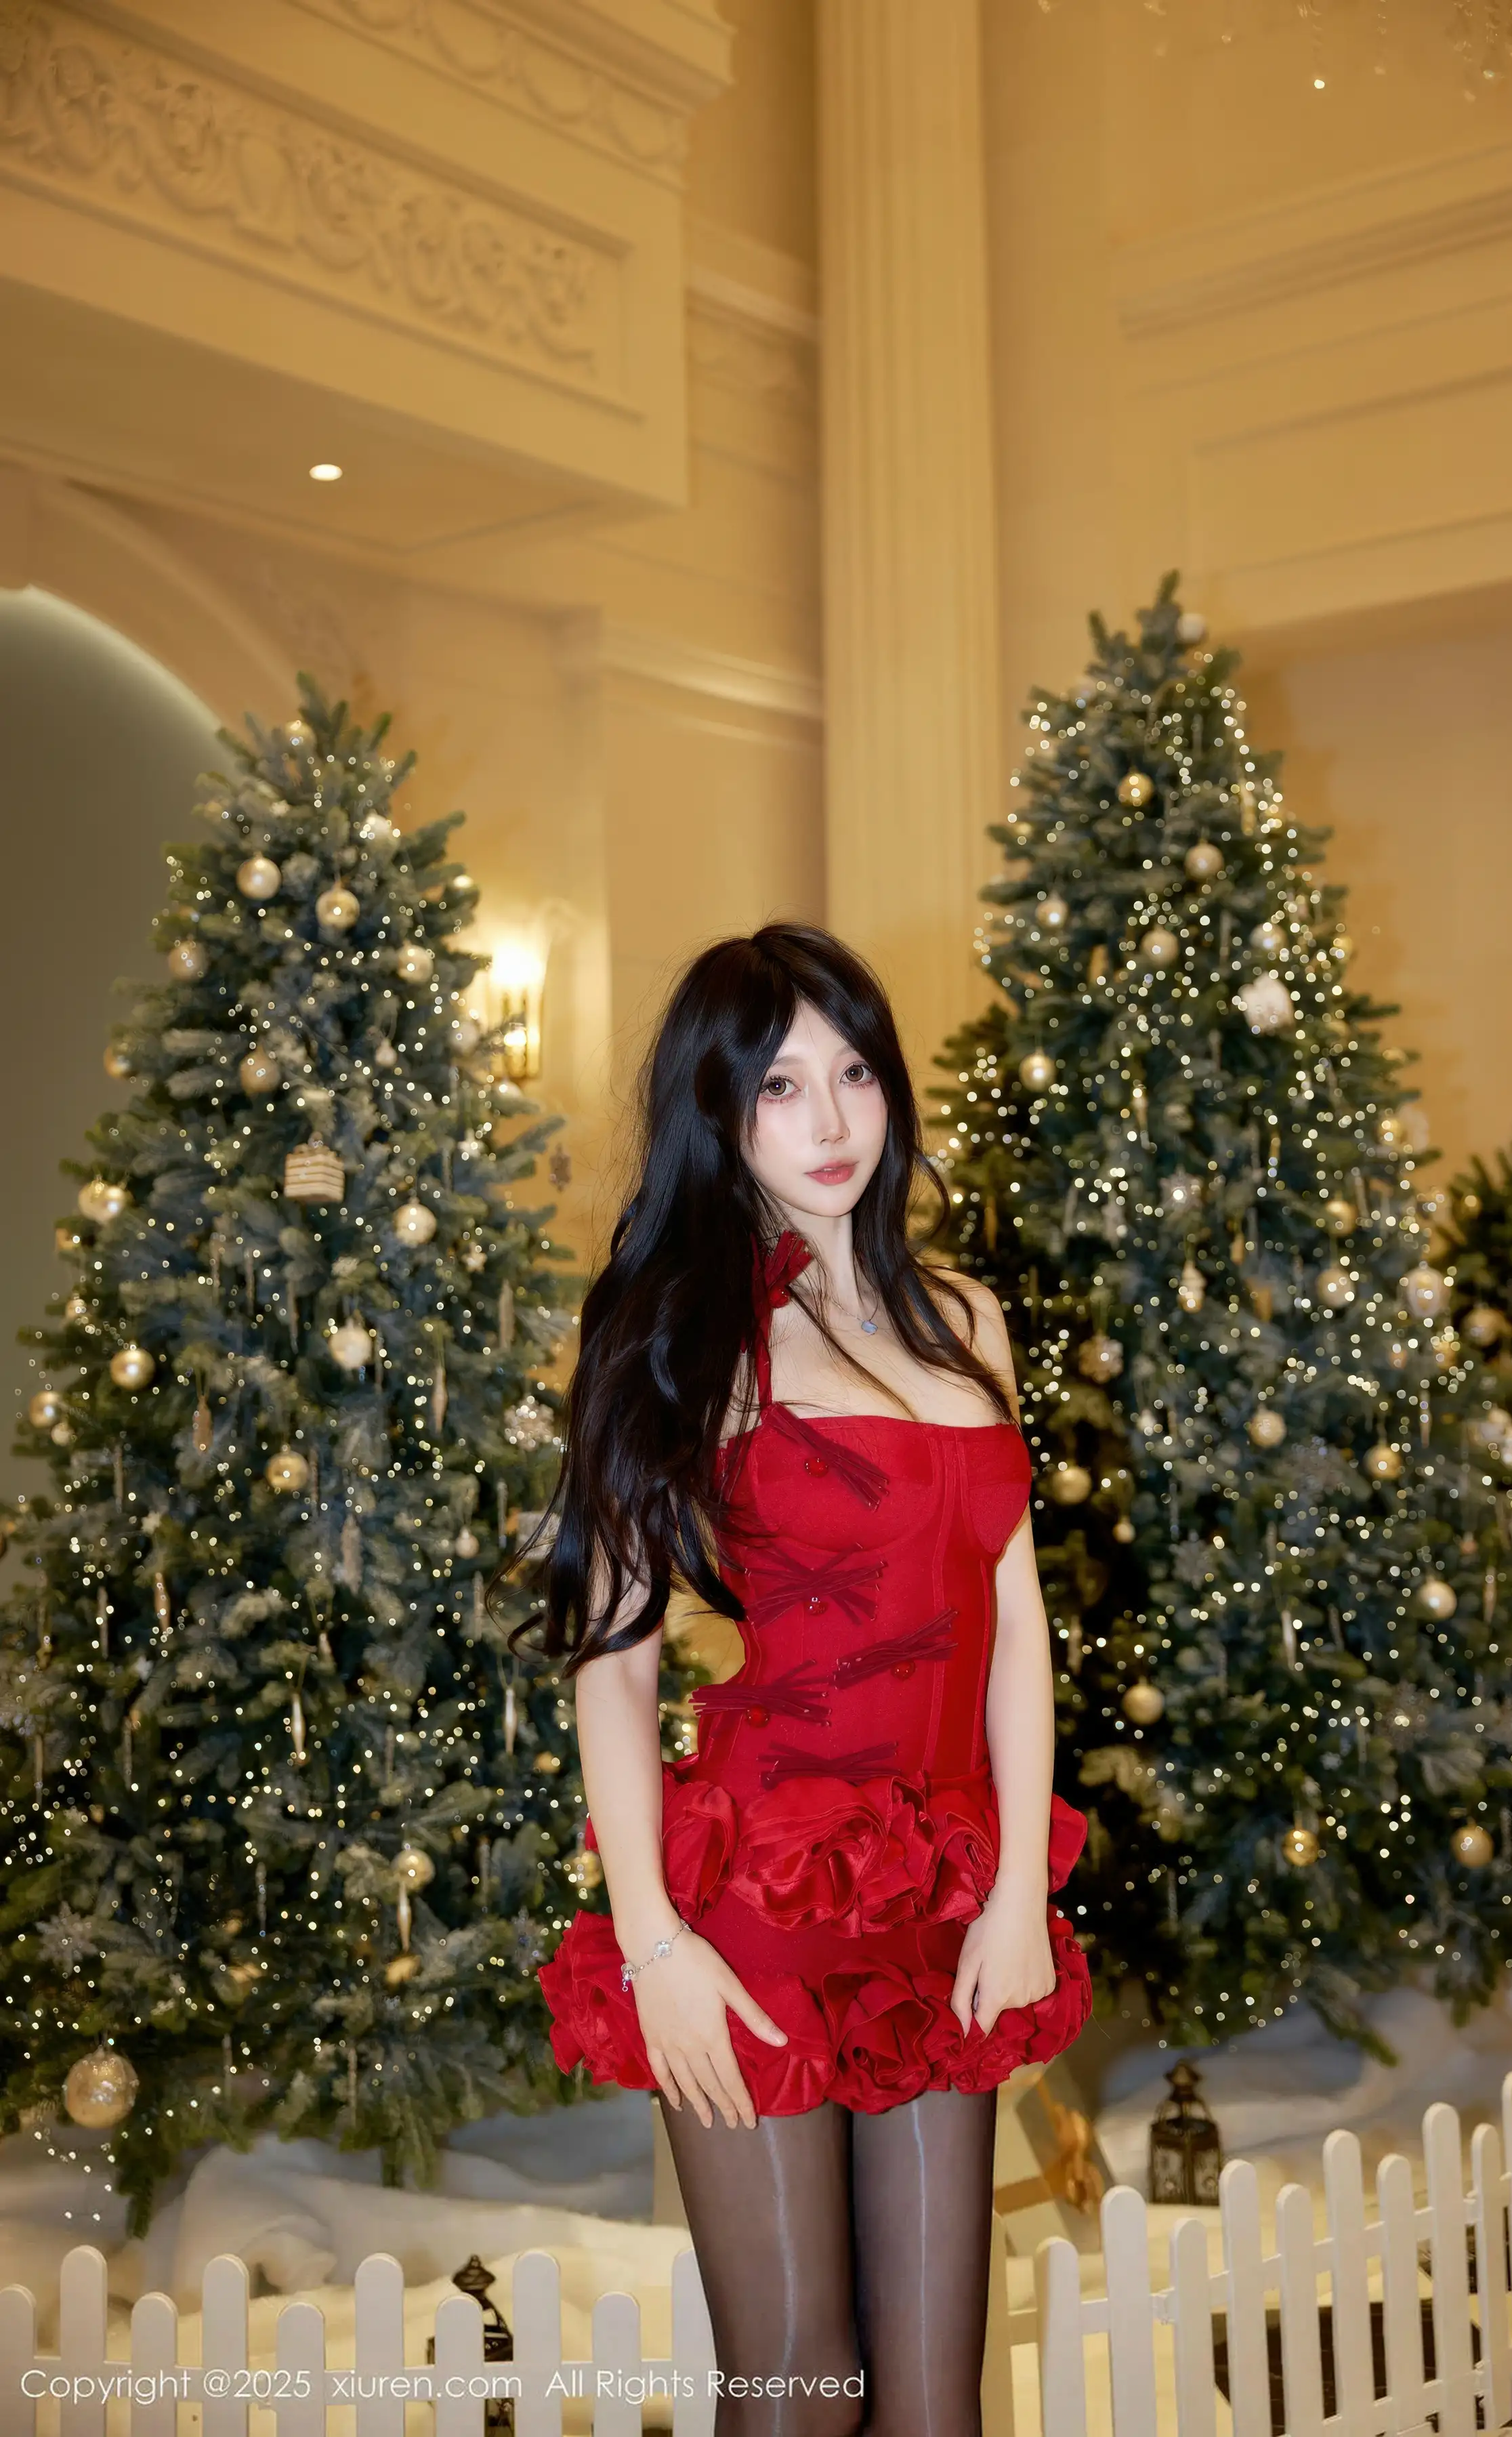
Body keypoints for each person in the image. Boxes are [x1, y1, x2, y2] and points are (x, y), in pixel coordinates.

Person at [513, 922, 1091, 2436]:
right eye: (780, 1086)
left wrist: (1017, 1894)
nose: (831, 1120)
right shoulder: (680, 1336)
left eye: (853, 1074)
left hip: (945, 1890)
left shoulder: (965, 1319)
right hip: (758, 1905)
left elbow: (1015, 1624)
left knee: (934, 2404)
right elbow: (614, 1670)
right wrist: (653, 1945)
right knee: (797, 2392)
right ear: (720, 1110)